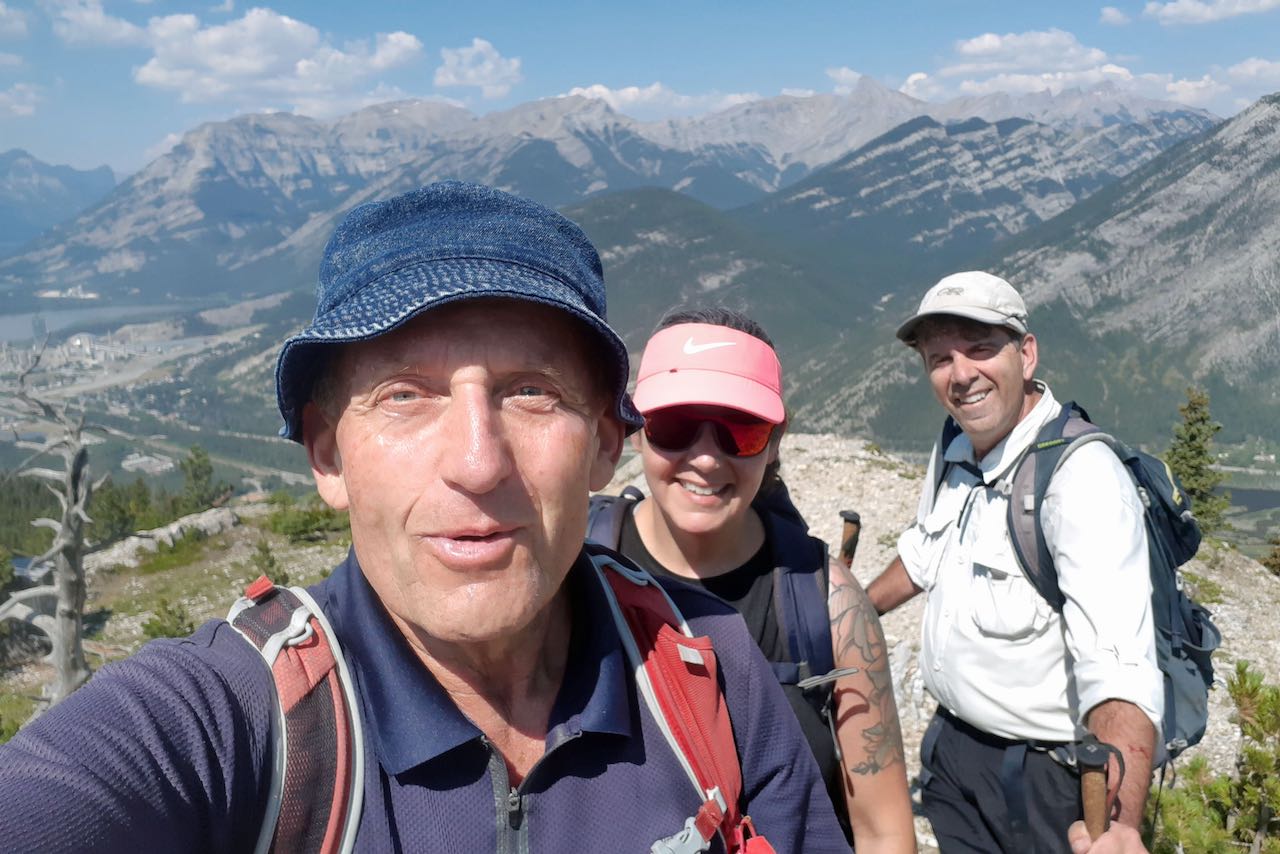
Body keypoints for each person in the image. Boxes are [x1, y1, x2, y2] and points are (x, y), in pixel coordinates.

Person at [0, 182, 848, 852]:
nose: (477, 463)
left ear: (601, 445)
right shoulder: (235, 720)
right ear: (329, 457)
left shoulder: (710, 667)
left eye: (531, 392)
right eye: (404, 395)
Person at [594, 307, 916, 852]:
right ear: (636, 430)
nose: (704, 458)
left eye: (739, 431)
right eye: (675, 426)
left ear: (774, 442)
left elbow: (884, 832)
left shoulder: (829, 603)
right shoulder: (573, 568)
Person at [865, 271, 1163, 854]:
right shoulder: (957, 444)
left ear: (1025, 355)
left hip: (1040, 780)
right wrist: (844, 610)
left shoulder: (1081, 478)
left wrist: (1120, 827)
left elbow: (1119, 669)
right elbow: (924, 552)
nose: (960, 375)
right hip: (952, 754)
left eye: (980, 349)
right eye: (940, 359)